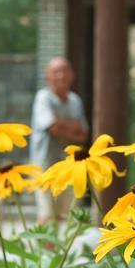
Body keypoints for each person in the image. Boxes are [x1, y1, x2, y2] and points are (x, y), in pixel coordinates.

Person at [30, 57, 89, 224]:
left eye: (65, 71)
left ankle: (59, 249)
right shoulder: (43, 97)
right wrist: (72, 127)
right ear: (47, 77)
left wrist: (60, 126)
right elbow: (52, 128)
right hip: (44, 166)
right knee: (47, 213)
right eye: (56, 72)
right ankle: (42, 250)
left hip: (69, 167)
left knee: (66, 213)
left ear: (72, 75)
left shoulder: (75, 100)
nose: (61, 76)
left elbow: (83, 134)